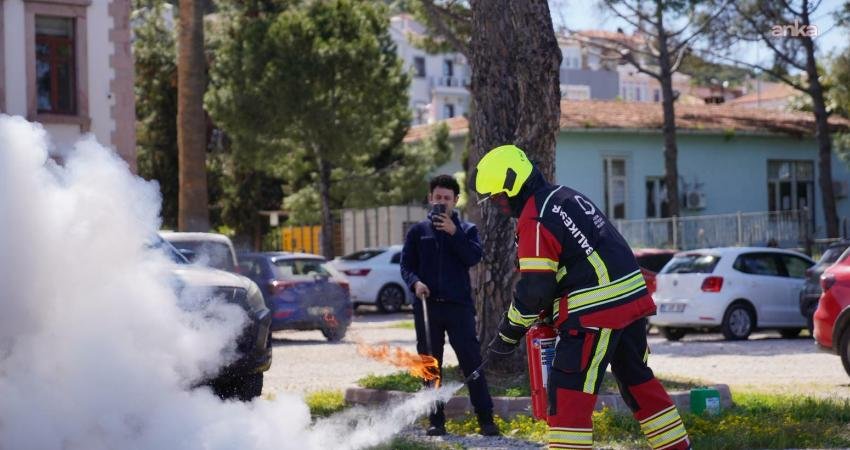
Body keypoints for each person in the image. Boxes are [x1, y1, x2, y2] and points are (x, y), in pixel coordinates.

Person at [473, 145, 691, 450]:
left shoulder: (535, 218)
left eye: (497, 197)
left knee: (567, 390)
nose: (498, 206)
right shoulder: (565, 196)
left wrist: (506, 338)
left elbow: (534, 291)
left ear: (512, 185)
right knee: (636, 379)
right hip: (629, 301)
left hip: (595, 312)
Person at [400, 174, 499, 437]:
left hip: (459, 308)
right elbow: (406, 266)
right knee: (431, 366)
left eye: (447, 198)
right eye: (437, 197)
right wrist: (415, 283)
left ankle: (486, 419)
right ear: (430, 198)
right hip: (427, 307)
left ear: (455, 201)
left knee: (472, 362)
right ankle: (436, 421)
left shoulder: (467, 231)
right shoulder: (417, 232)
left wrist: (454, 233)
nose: (441, 202)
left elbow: (472, 257)